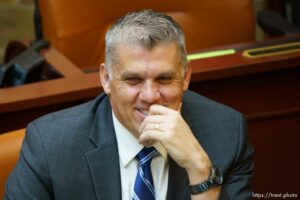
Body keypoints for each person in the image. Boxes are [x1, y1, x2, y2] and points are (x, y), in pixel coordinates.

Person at [4, 9, 253, 200]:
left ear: (186, 76)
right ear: (106, 78)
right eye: (133, 80)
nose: (150, 95)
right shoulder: (50, 144)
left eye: (164, 78)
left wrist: (199, 168)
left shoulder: (227, 134)